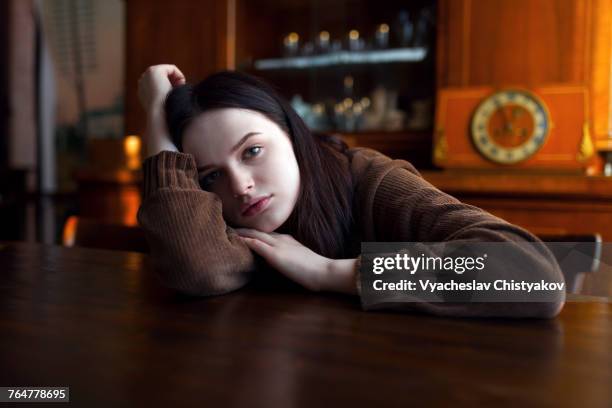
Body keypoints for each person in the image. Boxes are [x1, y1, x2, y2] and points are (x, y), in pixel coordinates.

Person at [137, 64, 565, 318]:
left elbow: (533, 276)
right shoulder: (222, 219)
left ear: (293, 134)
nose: (240, 186)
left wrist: (329, 272)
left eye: (252, 150)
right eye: (211, 176)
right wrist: (157, 120)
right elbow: (198, 269)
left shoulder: (365, 177)